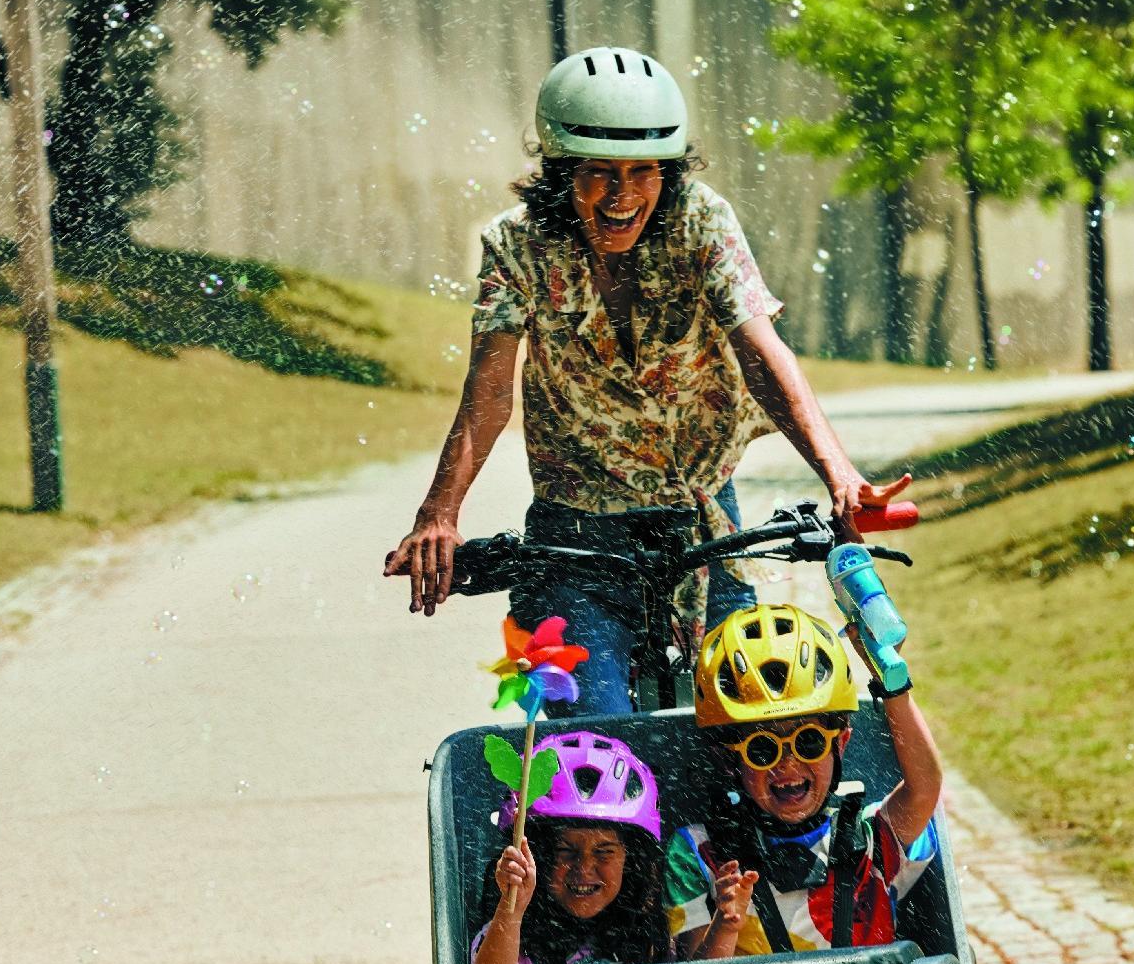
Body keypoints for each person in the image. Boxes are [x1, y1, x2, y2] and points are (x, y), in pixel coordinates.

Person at [385, 46, 910, 714]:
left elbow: (759, 349)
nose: (622, 194)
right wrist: (440, 513)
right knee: (595, 750)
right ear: (559, 169)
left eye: (643, 171)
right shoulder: (515, 245)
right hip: (578, 539)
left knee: (752, 728)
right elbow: (489, 391)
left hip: (706, 526)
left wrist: (839, 476)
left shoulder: (701, 221)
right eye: (599, 173)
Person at [664, 601, 942, 958]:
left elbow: (925, 789)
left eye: (808, 741)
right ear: (728, 759)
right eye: (762, 750)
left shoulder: (869, 839)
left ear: (841, 743)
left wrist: (891, 682)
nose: (787, 764)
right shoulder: (700, 852)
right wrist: (725, 923)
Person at [455, 731, 670, 964]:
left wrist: (725, 923)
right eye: (566, 852)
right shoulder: (514, 929)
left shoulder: (643, 932)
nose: (583, 869)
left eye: (604, 852)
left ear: (633, 863)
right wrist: (512, 910)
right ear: (538, 856)